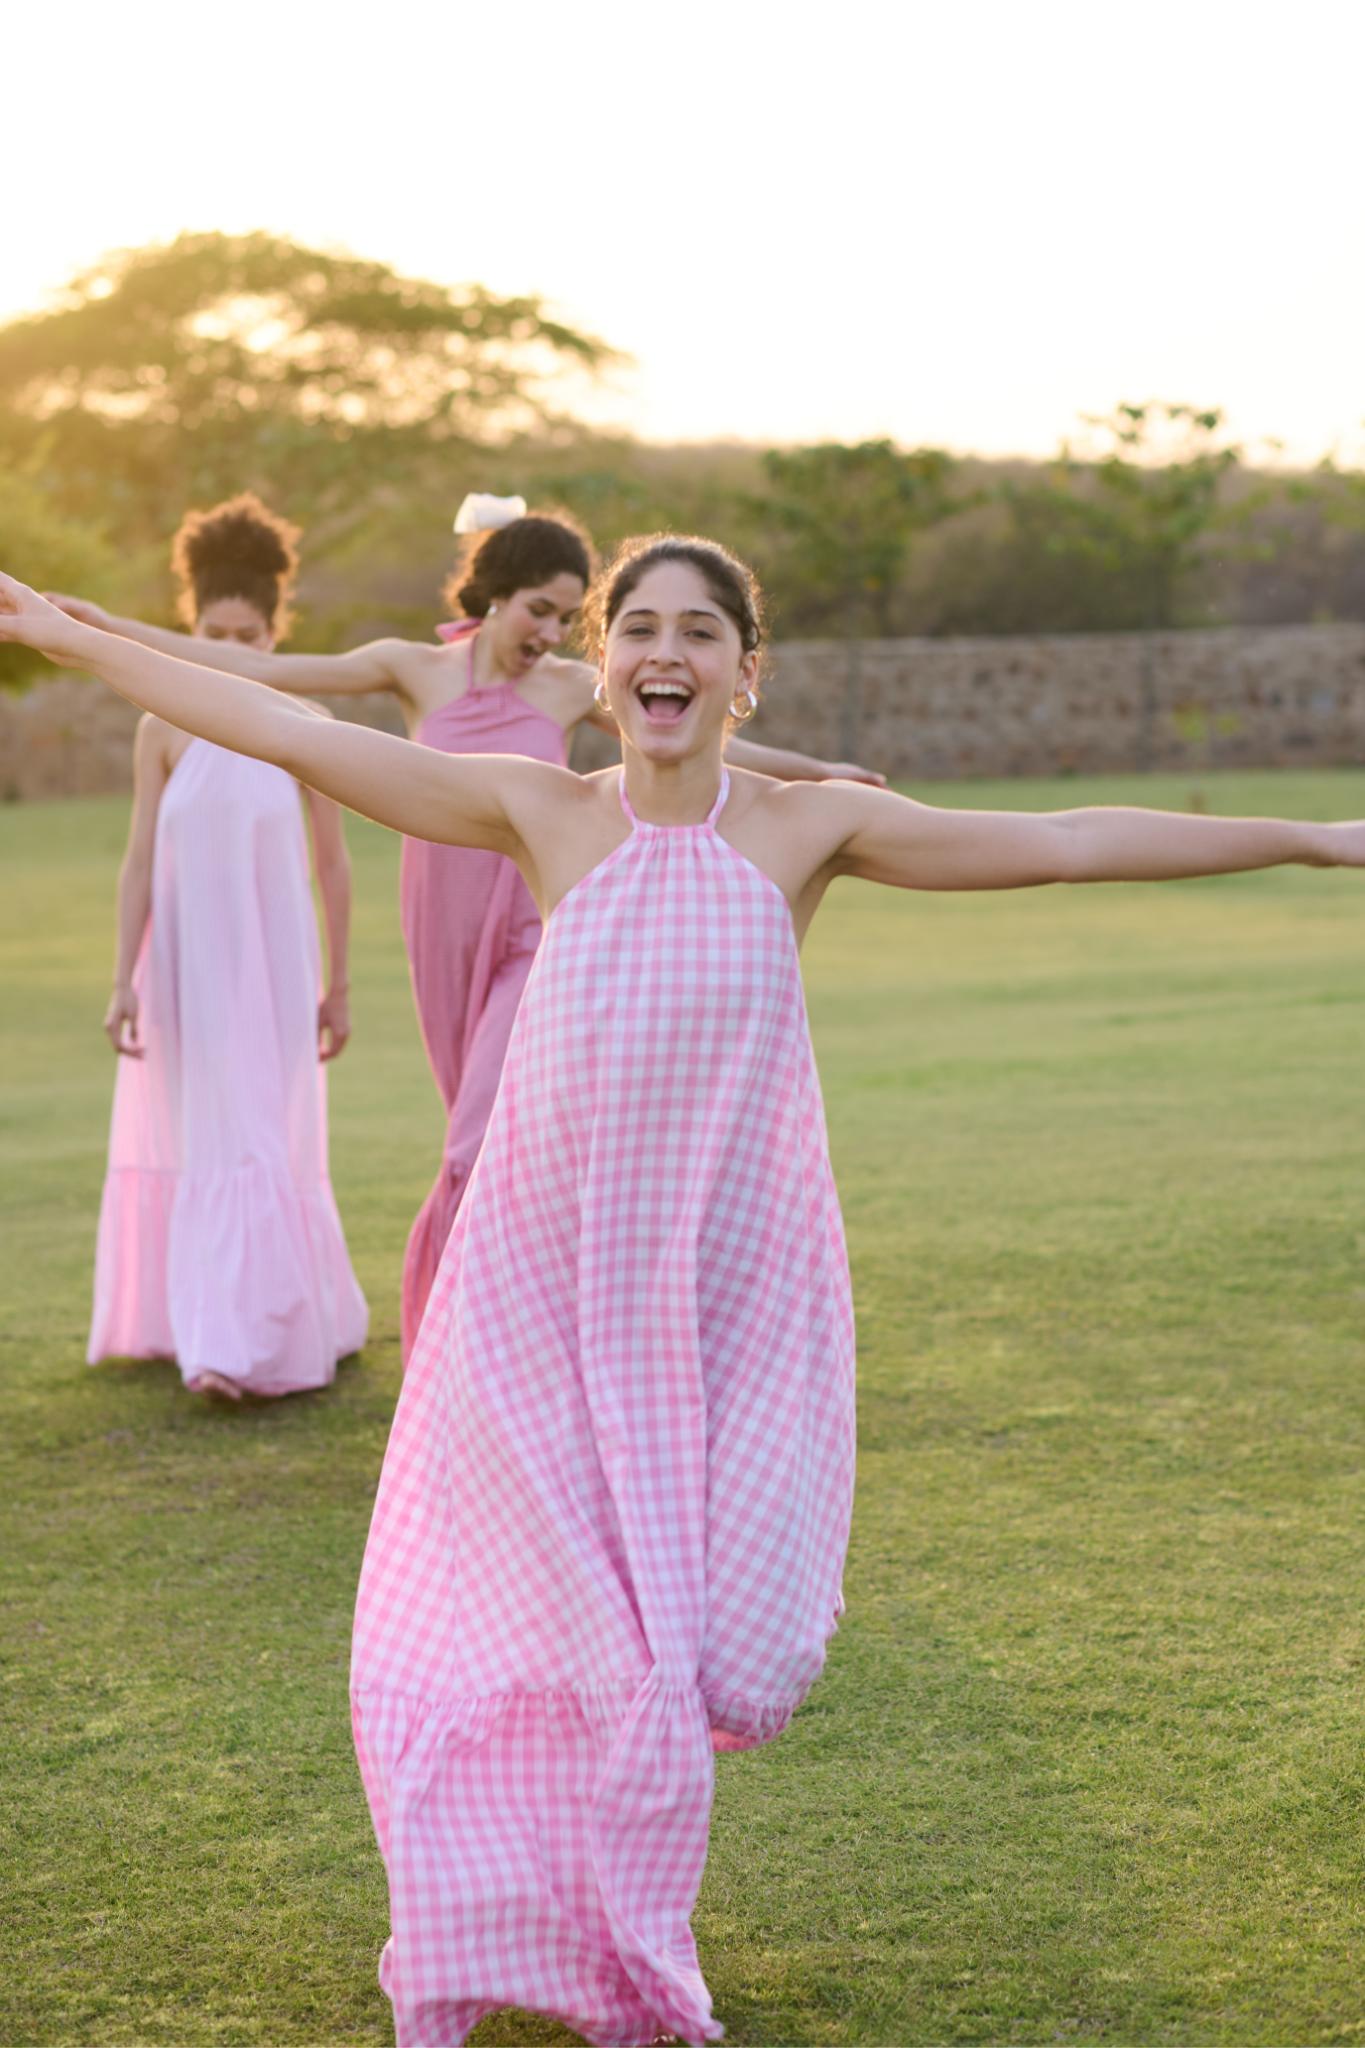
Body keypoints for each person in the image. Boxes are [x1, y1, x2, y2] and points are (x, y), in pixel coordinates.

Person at [8, 534, 1356, 2043]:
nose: (667, 653)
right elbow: (281, 725)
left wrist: (1319, 837)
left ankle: (599, 1895)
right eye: (637, 627)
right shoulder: (539, 811)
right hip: (538, 1299)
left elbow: (1068, 837)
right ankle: (571, 1925)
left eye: (699, 631)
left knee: (735, 1647)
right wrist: (72, 636)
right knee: (566, 1637)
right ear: (602, 667)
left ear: (740, 671)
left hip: (731, 1304)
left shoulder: (802, 832)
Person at [55, 498, 886, 1359]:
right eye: (541, 610)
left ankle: (450, 1343)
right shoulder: (412, 669)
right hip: (438, 918)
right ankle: (521, 1334)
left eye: (571, 616)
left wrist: (818, 773)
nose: (553, 630)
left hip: (533, 921)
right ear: (495, 597)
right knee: (480, 1130)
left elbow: (716, 744)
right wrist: (103, 629)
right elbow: (273, 679)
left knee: (471, 1141)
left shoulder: (572, 685)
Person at [85, 496, 367, 1401]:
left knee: (257, 1136)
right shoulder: (159, 725)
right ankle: (198, 1323)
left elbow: (334, 865)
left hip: (274, 975)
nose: (236, 645)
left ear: (278, 630)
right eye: (218, 630)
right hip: (182, 978)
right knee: (206, 1137)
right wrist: (123, 980)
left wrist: (341, 985)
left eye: (252, 632)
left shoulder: (303, 727)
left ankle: (243, 1345)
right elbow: (138, 862)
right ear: (192, 625)